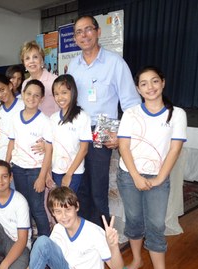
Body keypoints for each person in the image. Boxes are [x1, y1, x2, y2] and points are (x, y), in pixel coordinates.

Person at [117, 66, 189, 269]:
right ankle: (137, 259)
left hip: (159, 177)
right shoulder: (130, 113)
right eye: (144, 83)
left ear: (163, 83)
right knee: (135, 219)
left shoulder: (176, 114)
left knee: (156, 224)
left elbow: (175, 148)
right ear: (138, 89)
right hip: (129, 176)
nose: (150, 87)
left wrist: (159, 178)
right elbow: (124, 147)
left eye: (155, 81)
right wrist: (136, 176)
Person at [68, 15, 141, 227]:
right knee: (80, 185)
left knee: (98, 189)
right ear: (75, 38)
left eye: (88, 29)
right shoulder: (73, 65)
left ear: (98, 31)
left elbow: (131, 104)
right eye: (79, 32)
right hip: (77, 130)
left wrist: (121, 134)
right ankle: (84, 231)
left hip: (102, 131)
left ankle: (102, 235)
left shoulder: (115, 63)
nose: (84, 35)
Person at [19, 186, 124, 269]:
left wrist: (114, 246)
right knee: (42, 241)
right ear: (52, 213)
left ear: (77, 207)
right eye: (58, 211)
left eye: (68, 209)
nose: (64, 216)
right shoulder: (58, 228)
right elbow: (43, 253)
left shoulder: (95, 233)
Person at [6, 80, 52, 237]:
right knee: (23, 204)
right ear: (23, 94)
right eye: (29, 93)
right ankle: (29, 237)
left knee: (37, 206)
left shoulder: (45, 121)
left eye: (36, 95)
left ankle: (45, 238)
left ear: (42, 99)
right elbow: (11, 142)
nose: (32, 98)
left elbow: (49, 151)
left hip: (35, 170)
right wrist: (7, 165)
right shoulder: (15, 118)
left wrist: (42, 177)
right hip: (17, 168)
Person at [46, 74, 92, 193]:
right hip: (56, 170)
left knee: (66, 204)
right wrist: (47, 172)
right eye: (56, 94)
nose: (60, 97)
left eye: (64, 92)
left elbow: (84, 149)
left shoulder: (82, 117)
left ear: (73, 92)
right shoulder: (53, 118)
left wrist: (69, 174)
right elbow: (49, 148)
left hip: (74, 171)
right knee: (58, 204)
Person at [0, 74, 24, 162]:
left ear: (10, 86)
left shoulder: (23, 105)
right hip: (0, 153)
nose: (0, 94)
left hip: (18, 155)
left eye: (2, 90)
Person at [20, 41, 59, 117]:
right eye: (27, 58)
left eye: (35, 57)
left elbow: (60, 109)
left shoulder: (54, 80)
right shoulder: (25, 84)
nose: (31, 61)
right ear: (24, 63)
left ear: (42, 60)